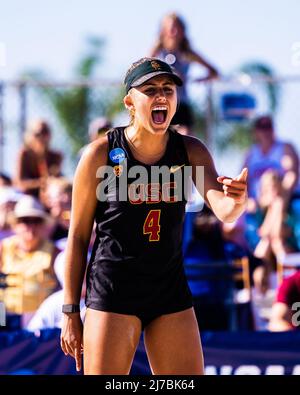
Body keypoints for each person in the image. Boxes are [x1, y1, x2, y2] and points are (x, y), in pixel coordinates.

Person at [60, 57, 247, 374]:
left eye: (168, 89)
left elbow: (225, 210)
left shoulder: (190, 150)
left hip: (169, 289)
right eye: (150, 89)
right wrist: (69, 311)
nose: (162, 96)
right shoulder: (99, 154)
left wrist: (238, 201)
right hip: (113, 289)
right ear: (130, 102)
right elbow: (77, 237)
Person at [150, 12, 219, 135]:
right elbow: (143, 68)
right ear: (164, 30)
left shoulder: (187, 53)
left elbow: (214, 72)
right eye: (171, 28)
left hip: (181, 102)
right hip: (162, 102)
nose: (174, 32)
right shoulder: (158, 51)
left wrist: (200, 79)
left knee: (185, 140)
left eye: (177, 28)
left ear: (182, 31)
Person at [0, 195, 59, 317]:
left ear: (42, 224)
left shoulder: (54, 252)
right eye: (25, 221)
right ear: (16, 224)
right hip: (4, 316)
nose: (31, 227)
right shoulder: (3, 248)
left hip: (38, 321)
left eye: (36, 221)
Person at [14, 119, 63, 198]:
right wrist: (40, 183)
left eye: (45, 132)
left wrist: (42, 156)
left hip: (50, 197)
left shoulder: (56, 156)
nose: (41, 137)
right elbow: (19, 183)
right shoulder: (24, 154)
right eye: (37, 134)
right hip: (28, 196)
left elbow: (55, 179)